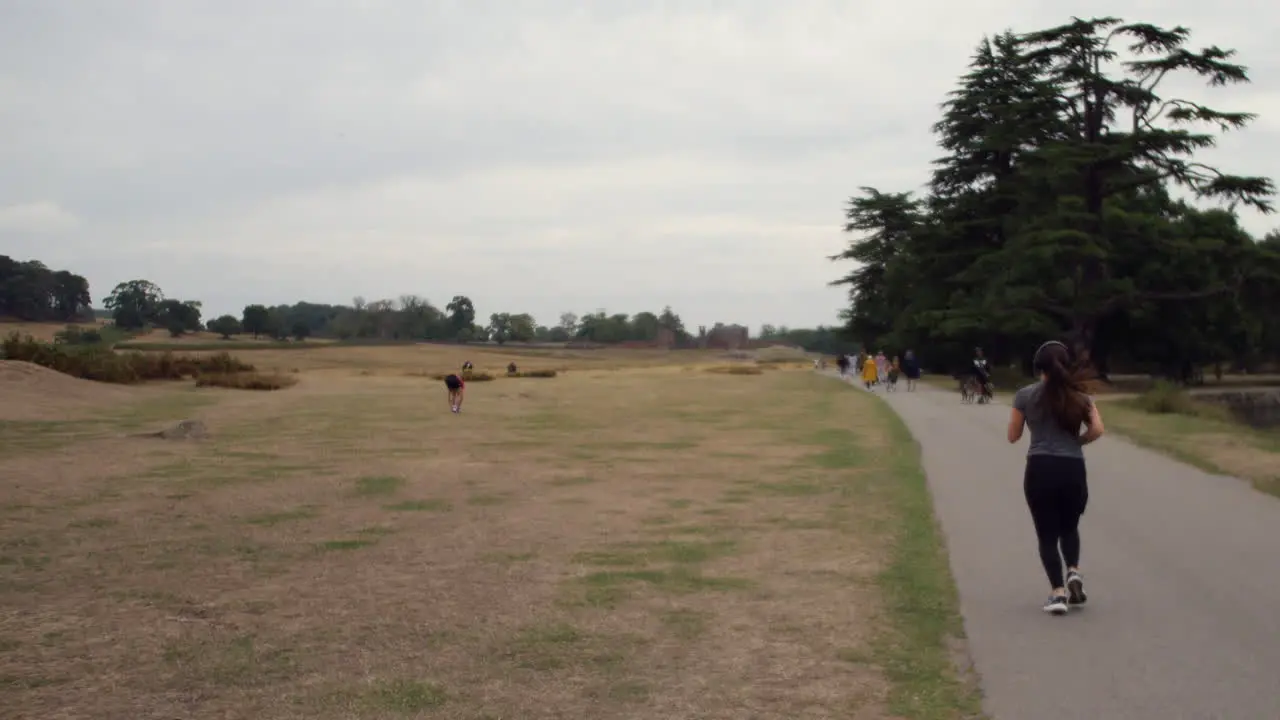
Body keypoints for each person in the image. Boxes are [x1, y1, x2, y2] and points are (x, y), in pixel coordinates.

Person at [1007, 340, 1105, 615]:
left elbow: (1013, 436)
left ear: (1038, 366)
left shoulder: (1025, 395)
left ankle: (1058, 593)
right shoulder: (1081, 397)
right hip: (1072, 468)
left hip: (1040, 467)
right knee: (1069, 526)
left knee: (1046, 533)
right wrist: (1077, 443)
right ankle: (1073, 570)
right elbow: (1097, 429)